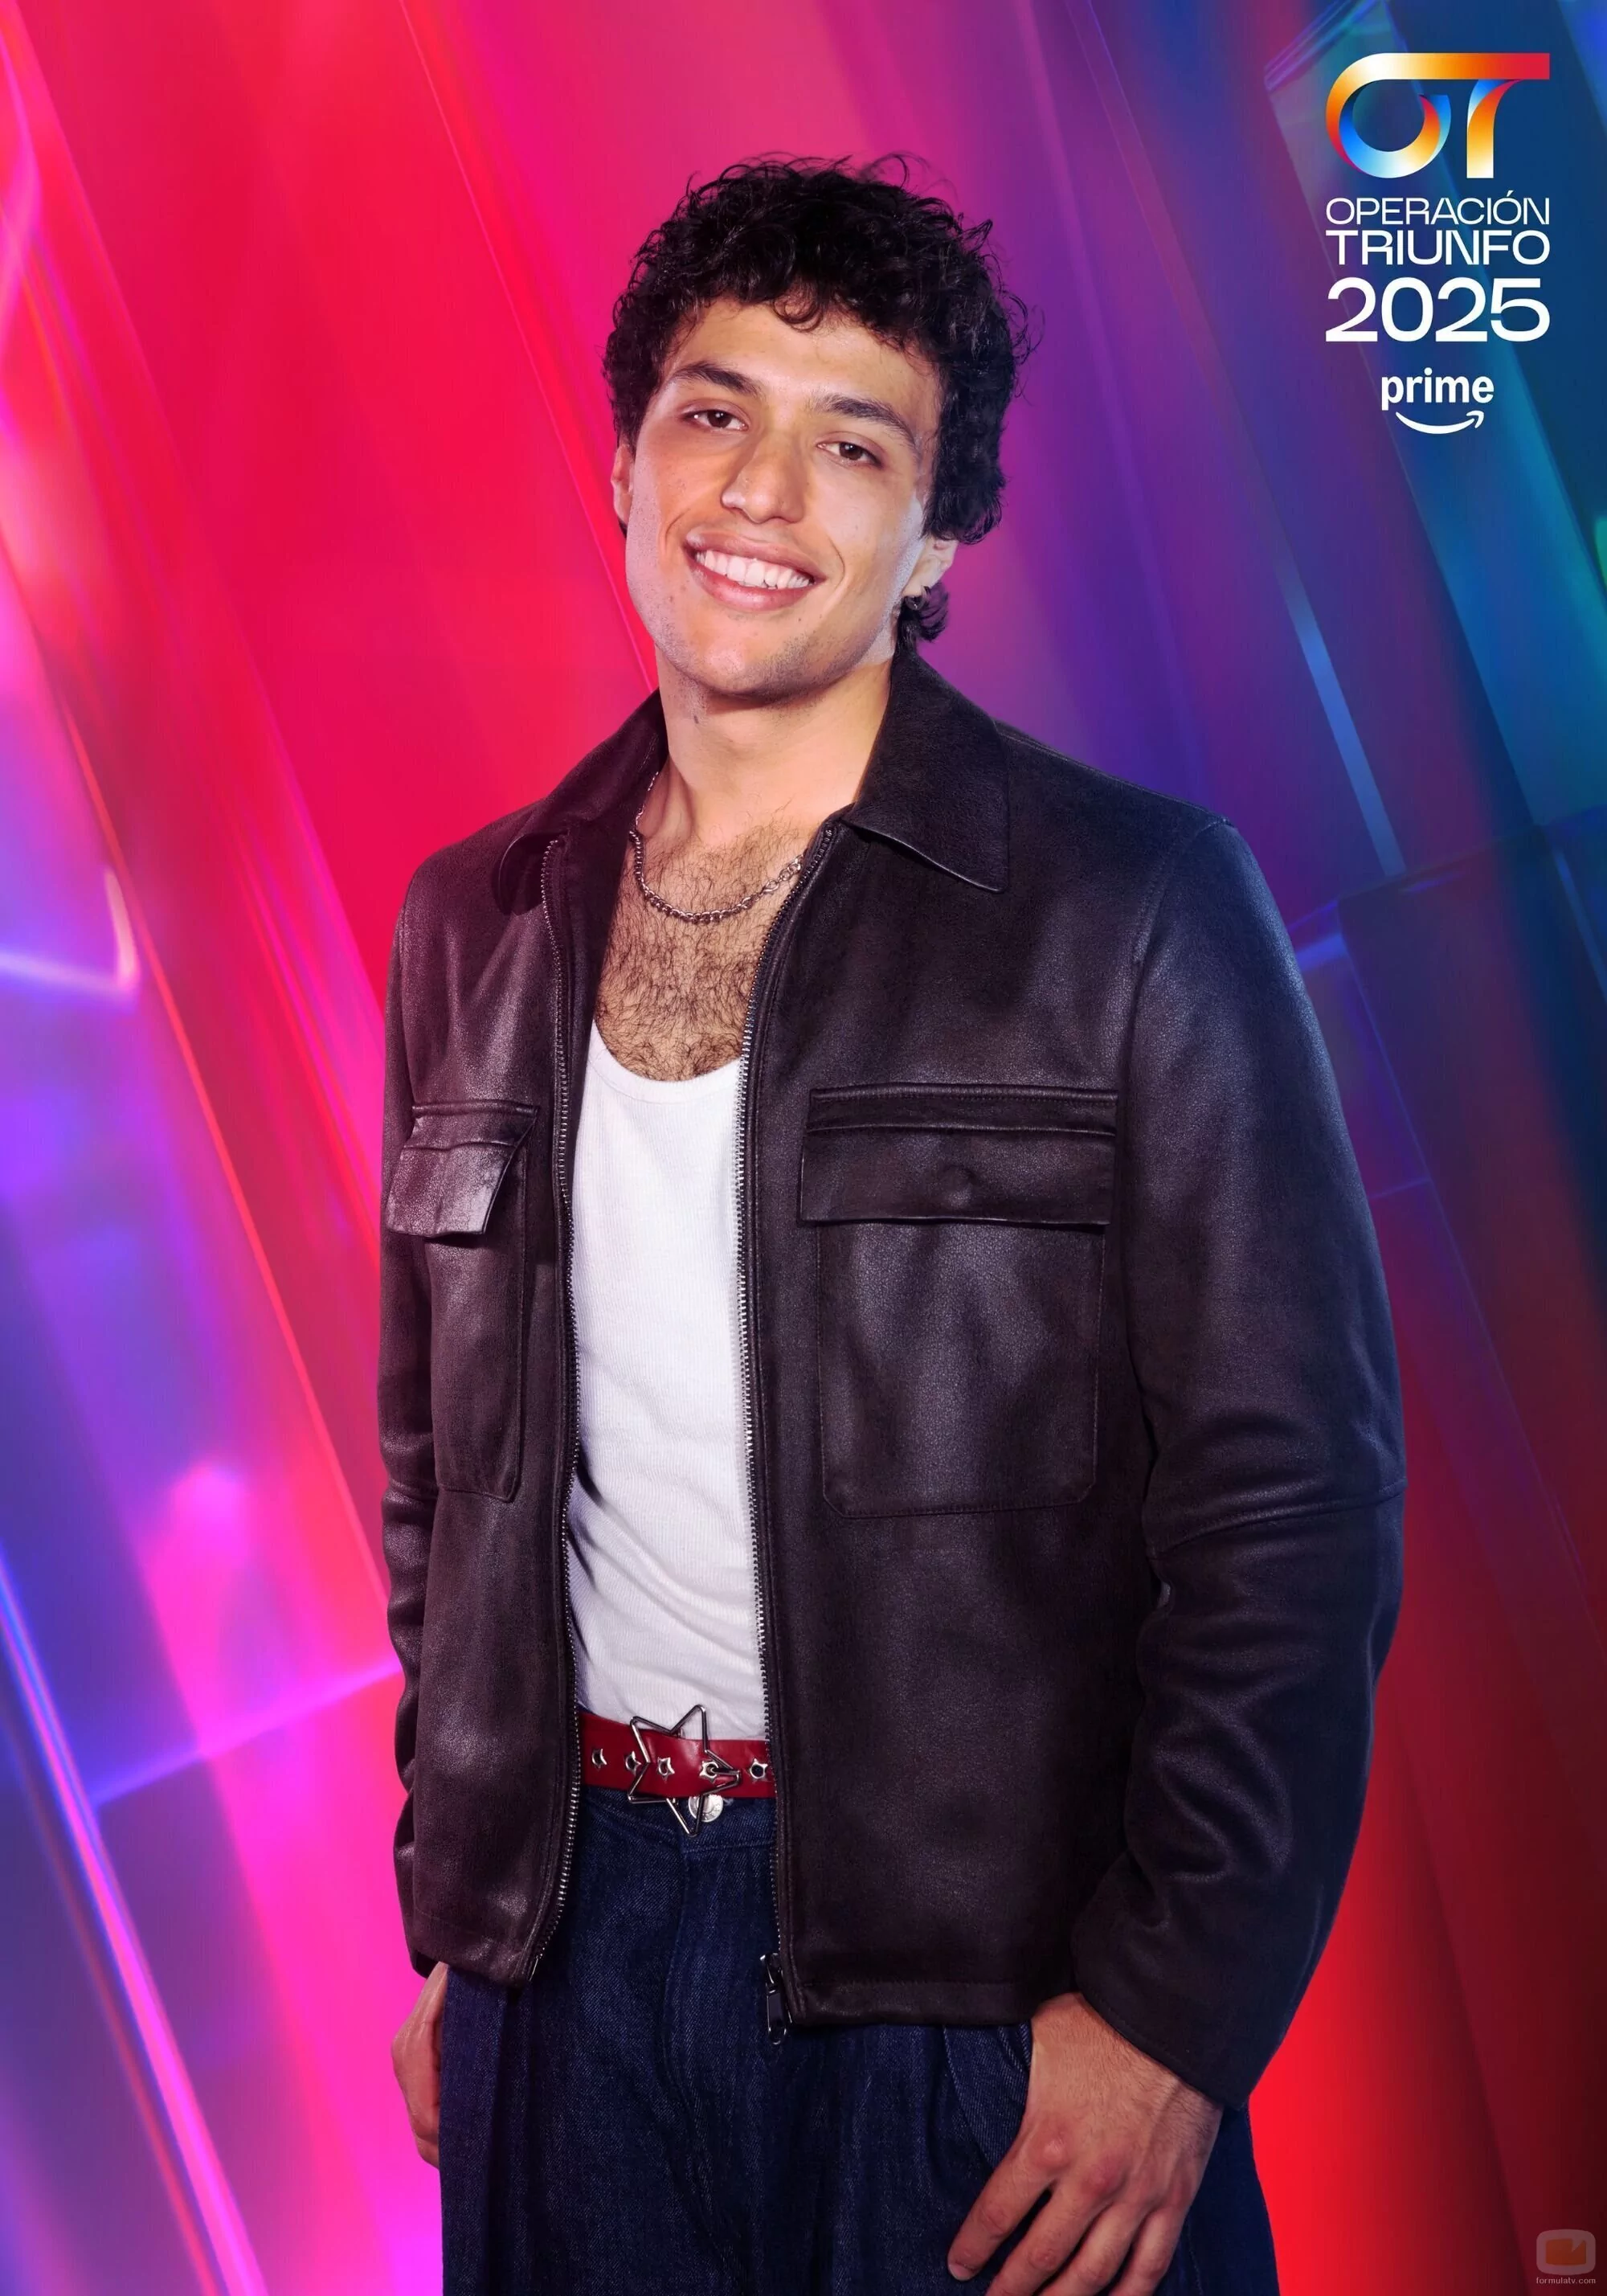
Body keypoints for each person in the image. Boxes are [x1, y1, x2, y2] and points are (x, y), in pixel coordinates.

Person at [381, 157, 1405, 2295]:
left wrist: (1174, 2016)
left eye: (855, 446)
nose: (761, 492)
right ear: (625, 467)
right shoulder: (474, 919)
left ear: (936, 537)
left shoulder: (1133, 907)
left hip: (975, 1982)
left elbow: (1292, 1510)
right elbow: (439, 1486)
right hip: (563, 1965)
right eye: (713, 412)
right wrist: (467, 1911)